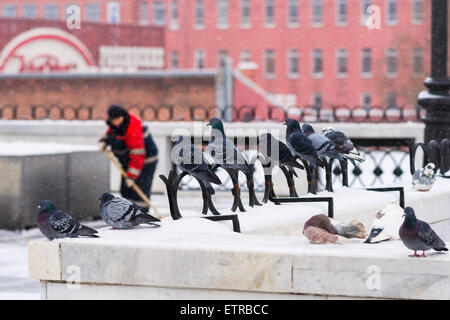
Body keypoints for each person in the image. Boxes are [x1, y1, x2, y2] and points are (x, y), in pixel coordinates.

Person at [99, 105, 158, 212]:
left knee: (139, 191)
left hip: (145, 161)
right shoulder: (115, 124)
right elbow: (110, 133)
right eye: (113, 120)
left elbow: (138, 155)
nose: (114, 123)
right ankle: (128, 212)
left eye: (117, 120)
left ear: (122, 117)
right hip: (129, 161)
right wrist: (104, 140)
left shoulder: (133, 128)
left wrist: (132, 176)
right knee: (126, 189)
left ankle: (141, 214)